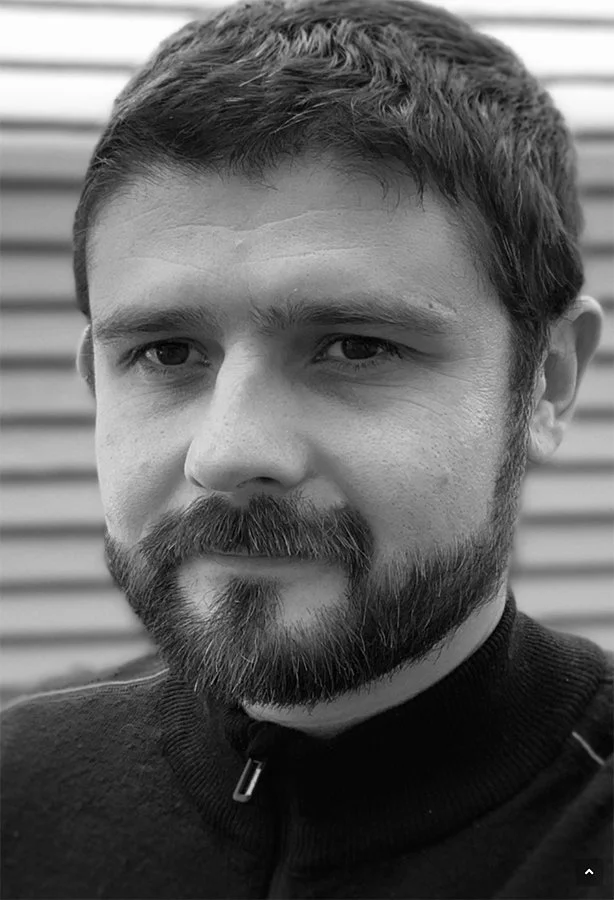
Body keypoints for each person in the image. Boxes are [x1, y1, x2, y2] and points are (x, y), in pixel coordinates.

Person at [1, 0, 611, 897]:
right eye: (167, 354)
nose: (228, 451)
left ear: (547, 381)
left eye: (356, 346)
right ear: (97, 379)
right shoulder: (20, 789)